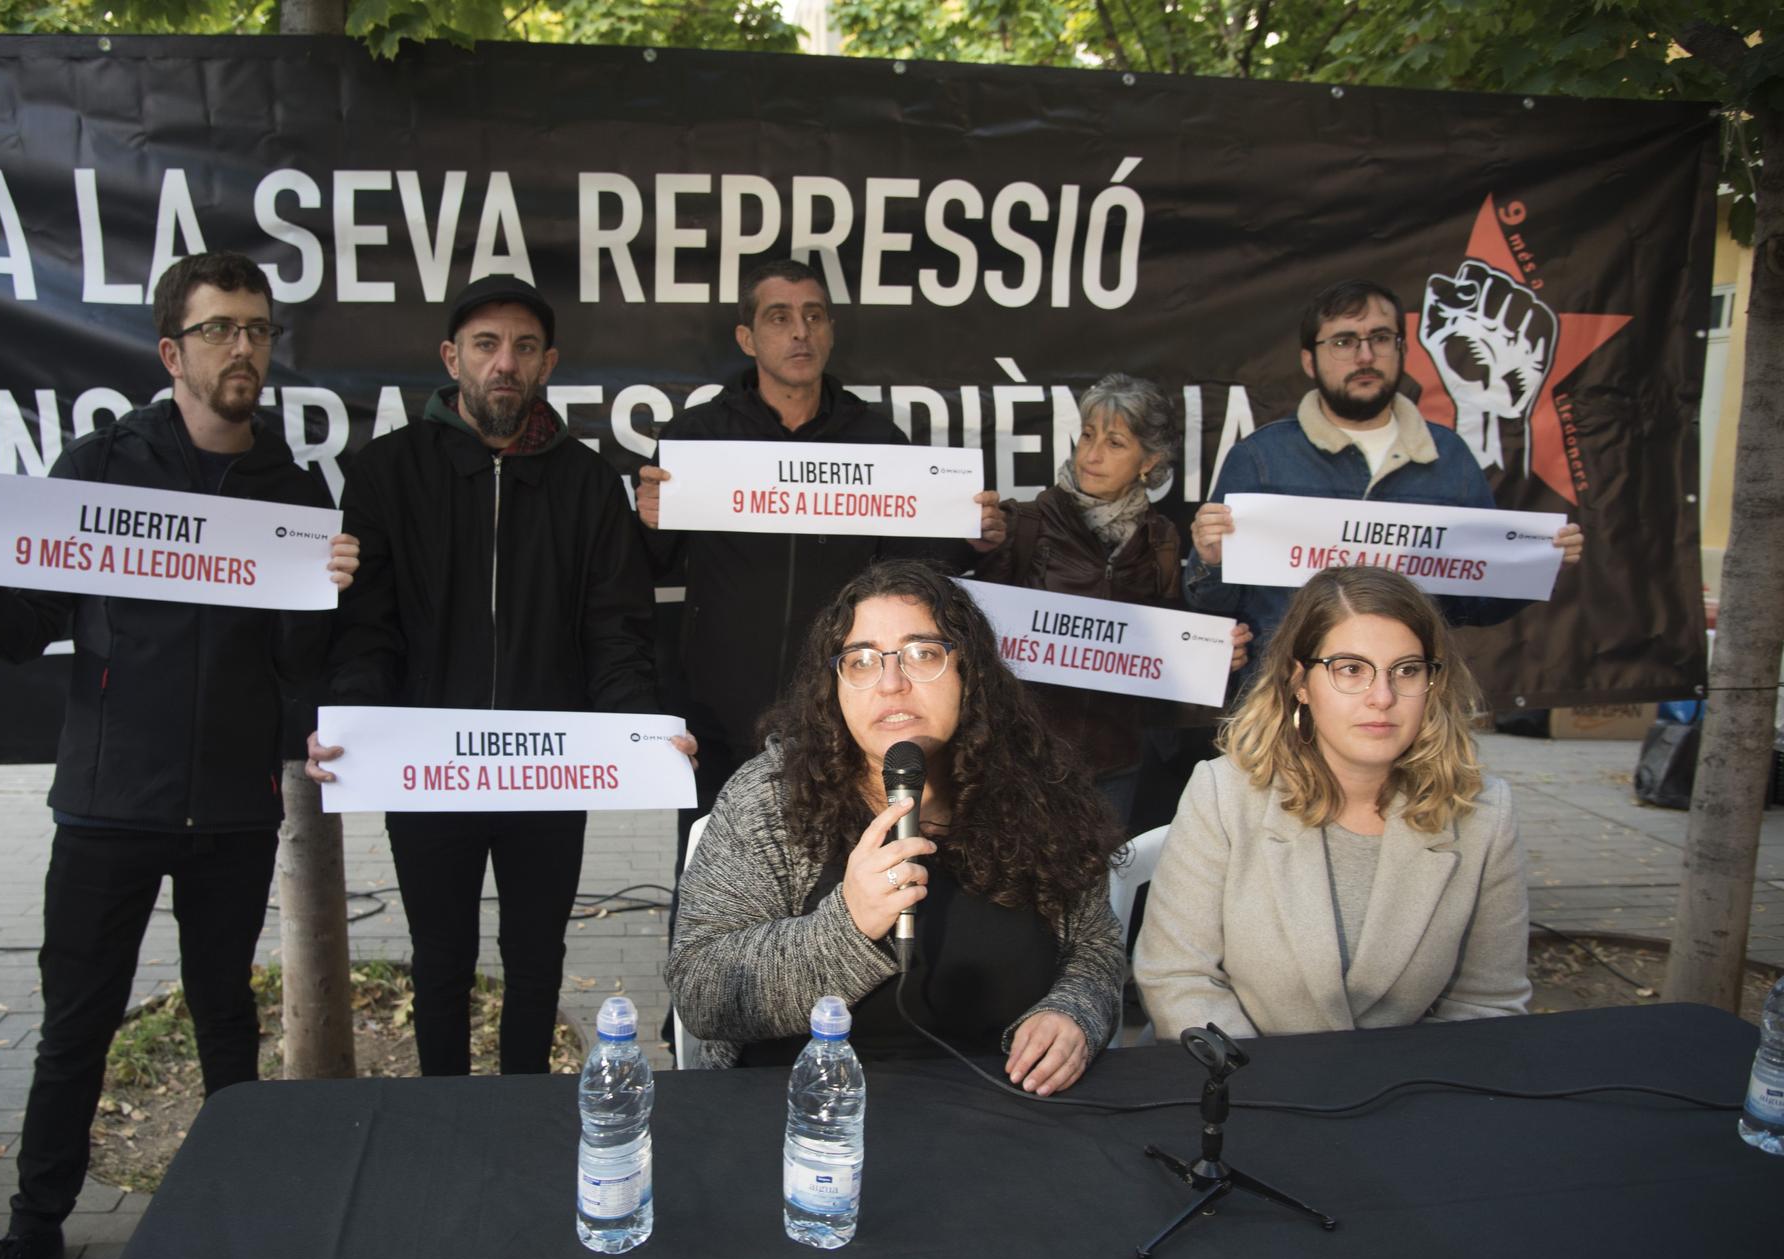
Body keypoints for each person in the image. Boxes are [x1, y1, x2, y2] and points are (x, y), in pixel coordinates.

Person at [0, 251, 358, 1259]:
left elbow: (298, 671)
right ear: (170, 352)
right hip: (106, 804)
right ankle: (32, 1230)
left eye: (259, 330)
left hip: (236, 810)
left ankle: (238, 1208)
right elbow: (18, 628)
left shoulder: (291, 492)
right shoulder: (100, 468)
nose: (245, 348)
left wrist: (323, 602)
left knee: (226, 1017)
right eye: (221, 329)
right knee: (74, 1028)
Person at [307, 275, 684, 1078]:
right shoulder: (385, 473)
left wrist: (643, 728)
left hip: (547, 770)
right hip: (427, 768)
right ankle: (444, 1112)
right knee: (439, 957)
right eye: (485, 345)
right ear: (452, 358)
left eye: (521, 347)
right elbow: (365, 629)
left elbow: (616, 629)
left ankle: (526, 1110)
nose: (503, 362)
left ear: (548, 363)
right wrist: (351, 722)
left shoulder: (586, 482)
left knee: (536, 954)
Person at [665, 560, 1126, 1096]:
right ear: (834, 687)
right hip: (807, 1113)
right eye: (861, 662)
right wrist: (848, 926)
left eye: (922, 654)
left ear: (970, 672)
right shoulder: (771, 795)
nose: (891, 684)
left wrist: (1073, 1014)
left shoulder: (1044, 791)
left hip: (1003, 1109)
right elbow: (702, 992)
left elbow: (1095, 952)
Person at [633, 258, 1004, 865]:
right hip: (720, 718)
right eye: (779, 318)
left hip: (842, 719)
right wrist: (648, 523)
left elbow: (916, 577)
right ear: (748, 339)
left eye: (813, 316)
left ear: (830, 330)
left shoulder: (878, 443)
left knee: (839, 879)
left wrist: (973, 542)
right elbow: (651, 566)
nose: (799, 332)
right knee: (710, 879)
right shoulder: (697, 439)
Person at [1133, 565, 1531, 1039]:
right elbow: (1178, 977)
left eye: (1406, 670)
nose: (1381, 697)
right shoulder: (1223, 793)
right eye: (1351, 669)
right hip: (1248, 1091)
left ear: (1434, 683)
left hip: (1408, 1094)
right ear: (1299, 681)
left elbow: (1487, 1003)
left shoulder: (1484, 814)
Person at [1184, 278, 1584, 655]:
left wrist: (1533, 567)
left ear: (1402, 349)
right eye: (1343, 341)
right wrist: (1212, 559)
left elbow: (1472, 606)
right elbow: (1214, 604)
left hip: (1400, 703)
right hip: (1285, 701)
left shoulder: (1451, 458)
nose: (1365, 356)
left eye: (1380, 338)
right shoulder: (1259, 458)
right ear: (1310, 360)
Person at [974, 372, 1249, 822]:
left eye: (1115, 443)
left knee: (1106, 891)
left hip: (1117, 763)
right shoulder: (1023, 524)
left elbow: (1167, 645)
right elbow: (977, 629)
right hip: (1026, 761)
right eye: (1087, 436)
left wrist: (1215, 653)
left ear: (1150, 460)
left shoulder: (1161, 538)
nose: (1092, 455)